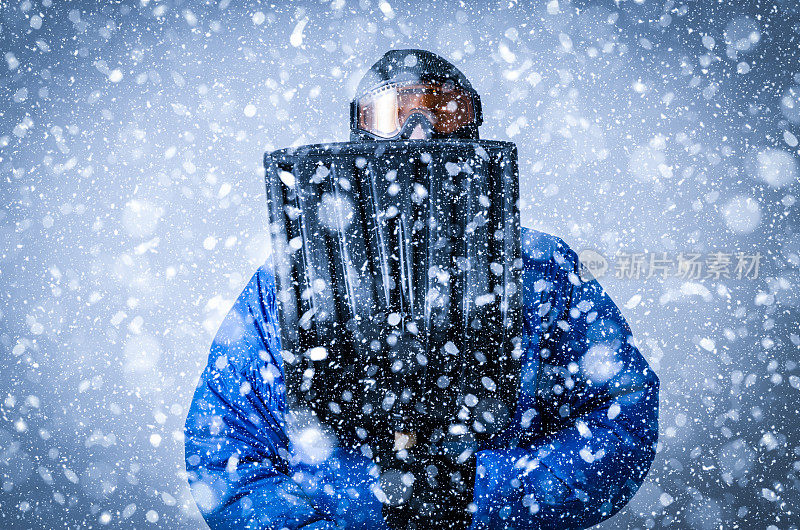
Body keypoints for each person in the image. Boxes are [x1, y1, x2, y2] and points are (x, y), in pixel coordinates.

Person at [184, 49, 659, 529]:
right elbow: (225, 452)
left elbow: (625, 418)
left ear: (472, 123)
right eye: (392, 113)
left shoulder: (539, 270)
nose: (419, 131)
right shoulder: (290, 284)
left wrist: (487, 493)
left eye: (446, 110)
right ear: (359, 129)